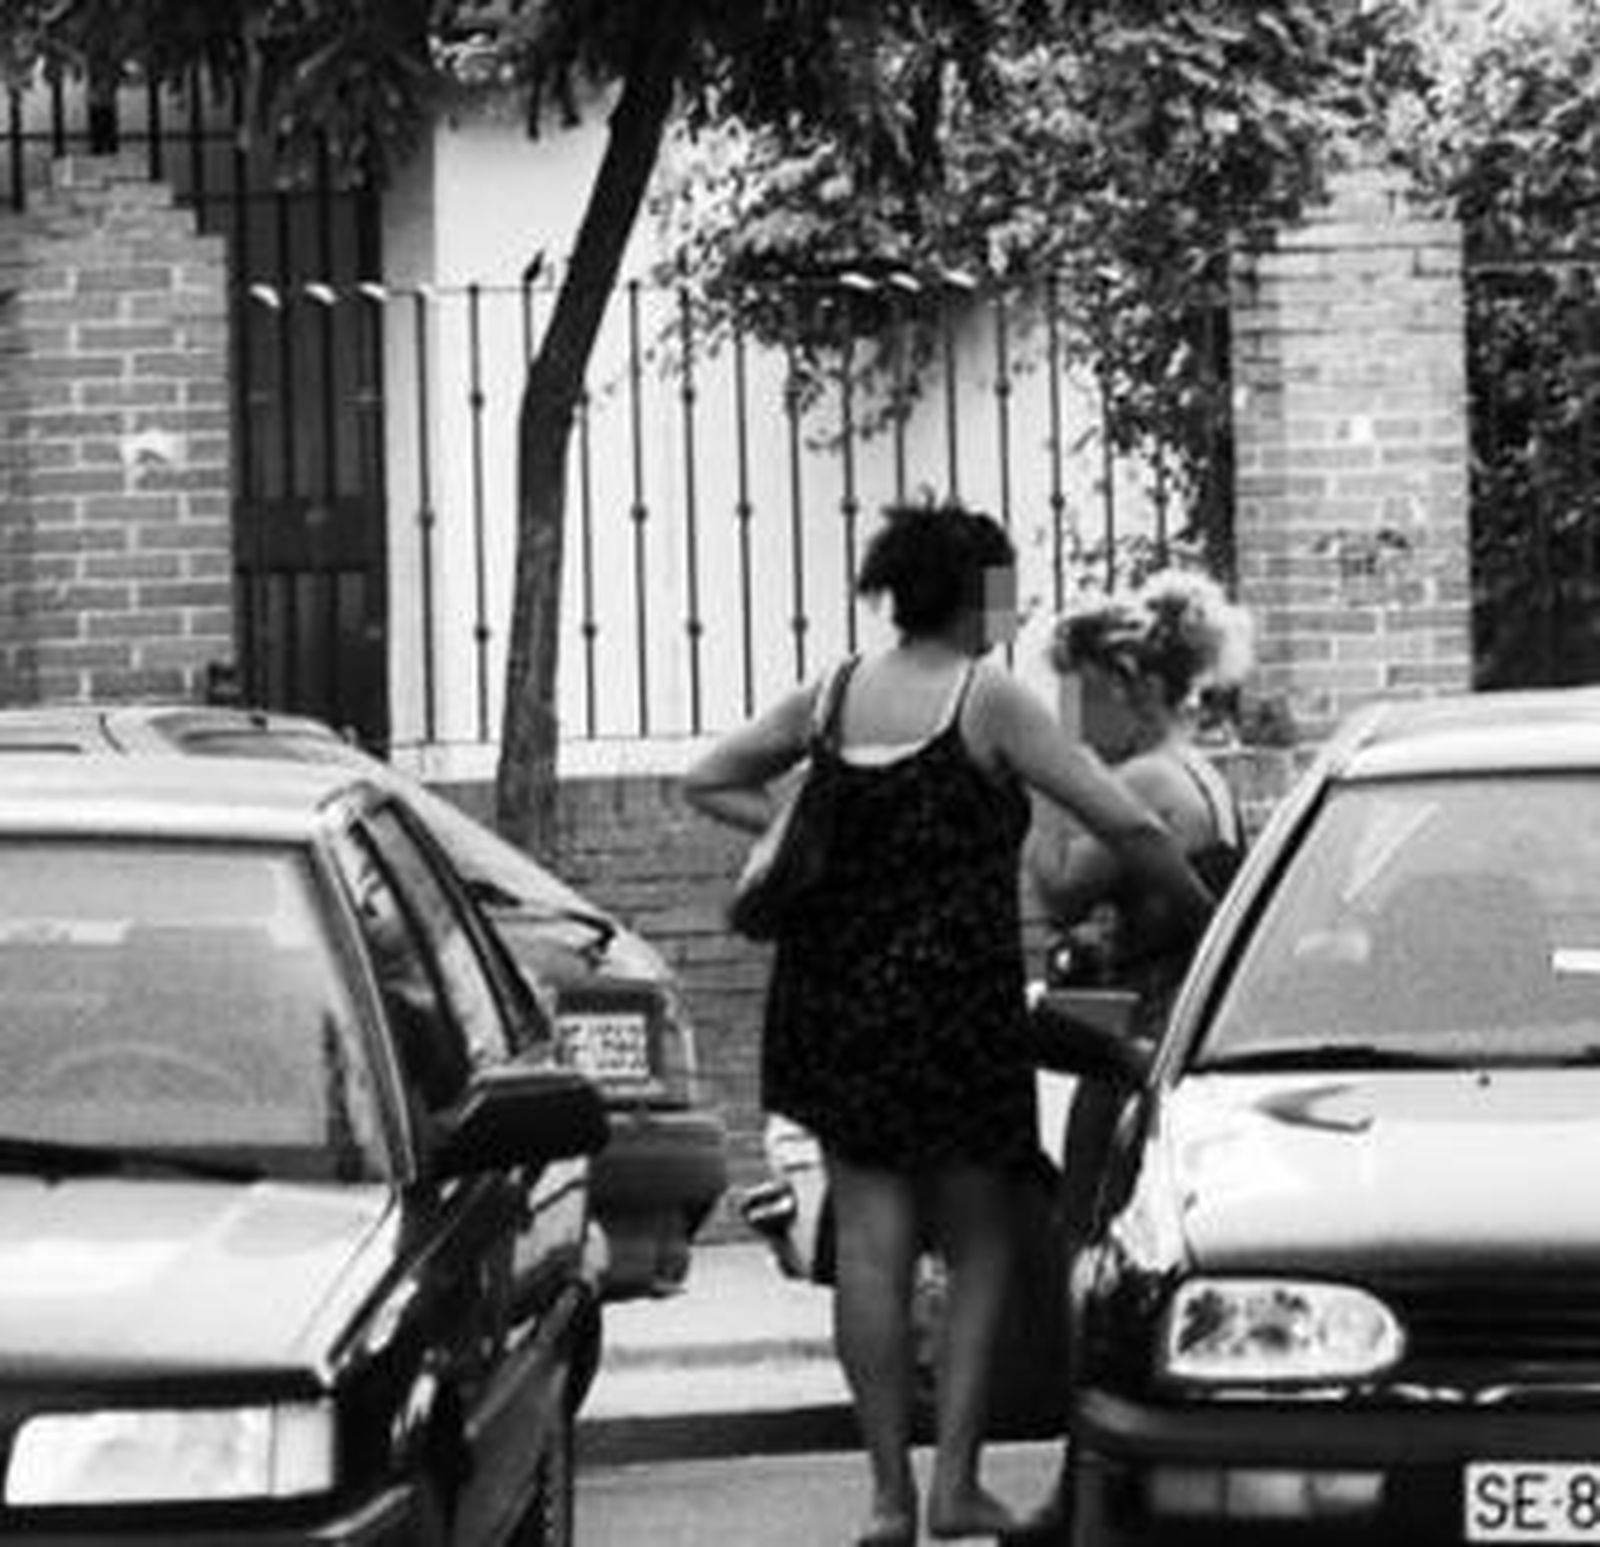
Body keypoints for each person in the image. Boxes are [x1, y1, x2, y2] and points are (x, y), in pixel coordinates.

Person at [683, 501, 1214, 1547]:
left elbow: (705, 777)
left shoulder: (831, 694)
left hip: (831, 999)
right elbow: (1129, 820)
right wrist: (1213, 922)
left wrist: (805, 825)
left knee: (873, 1246)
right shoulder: (990, 699)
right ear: (974, 593)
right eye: (1002, 590)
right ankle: (957, 1485)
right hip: (953, 1007)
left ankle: (885, 1497)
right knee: (979, 1246)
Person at [1000, 569, 1252, 1547]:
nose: (1064, 712)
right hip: (1167, 1023)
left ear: (1129, 687)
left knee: (1087, 1259)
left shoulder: (1142, 782)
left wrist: (1041, 782)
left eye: (1076, 693)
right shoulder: (1197, 772)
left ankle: (1081, 1488)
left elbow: (1061, 888)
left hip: (1141, 1043)